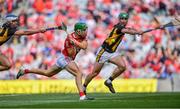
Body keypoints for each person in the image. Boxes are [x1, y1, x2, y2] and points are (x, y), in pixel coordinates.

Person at [16, 22, 94, 100]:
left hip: (65, 58)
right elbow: (70, 54)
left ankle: (25, 70)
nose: (86, 31)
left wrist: (74, 42)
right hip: (65, 58)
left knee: (48, 73)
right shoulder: (68, 40)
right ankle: (82, 96)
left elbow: (84, 46)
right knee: (78, 73)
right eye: (85, 30)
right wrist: (72, 43)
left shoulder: (81, 37)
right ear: (79, 31)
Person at [83, 12, 143, 93]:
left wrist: (137, 31)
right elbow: (127, 31)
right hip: (104, 52)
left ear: (127, 20)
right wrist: (137, 32)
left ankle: (109, 81)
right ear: (119, 19)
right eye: (122, 18)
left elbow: (129, 29)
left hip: (112, 53)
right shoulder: (119, 27)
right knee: (94, 73)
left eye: (125, 19)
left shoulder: (123, 27)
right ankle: (84, 87)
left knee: (123, 66)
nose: (123, 20)